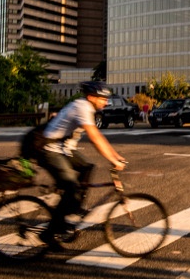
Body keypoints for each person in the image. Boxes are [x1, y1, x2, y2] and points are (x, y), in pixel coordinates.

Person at [37, 81, 126, 244]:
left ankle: (72, 207)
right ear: (91, 97)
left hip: (64, 149)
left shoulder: (87, 108)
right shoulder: (82, 107)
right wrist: (112, 160)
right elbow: (94, 138)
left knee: (87, 167)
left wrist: (116, 155)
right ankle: (49, 232)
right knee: (71, 186)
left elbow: (99, 135)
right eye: (103, 98)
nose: (106, 102)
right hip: (49, 149)